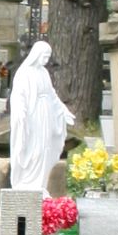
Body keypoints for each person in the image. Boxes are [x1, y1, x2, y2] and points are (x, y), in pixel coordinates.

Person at [8, 40, 73, 190]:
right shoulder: (24, 73)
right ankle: (27, 182)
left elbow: (52, 94)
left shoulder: (44, 72)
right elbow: (18, 95)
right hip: (33, 115)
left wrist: (64, 110)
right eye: (44, 56)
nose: (46, 60)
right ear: (36, 55)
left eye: (48, 57)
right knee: (34, 149)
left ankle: (40, 184)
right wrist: (21, 112)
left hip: (46, 114)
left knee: (44, 148)